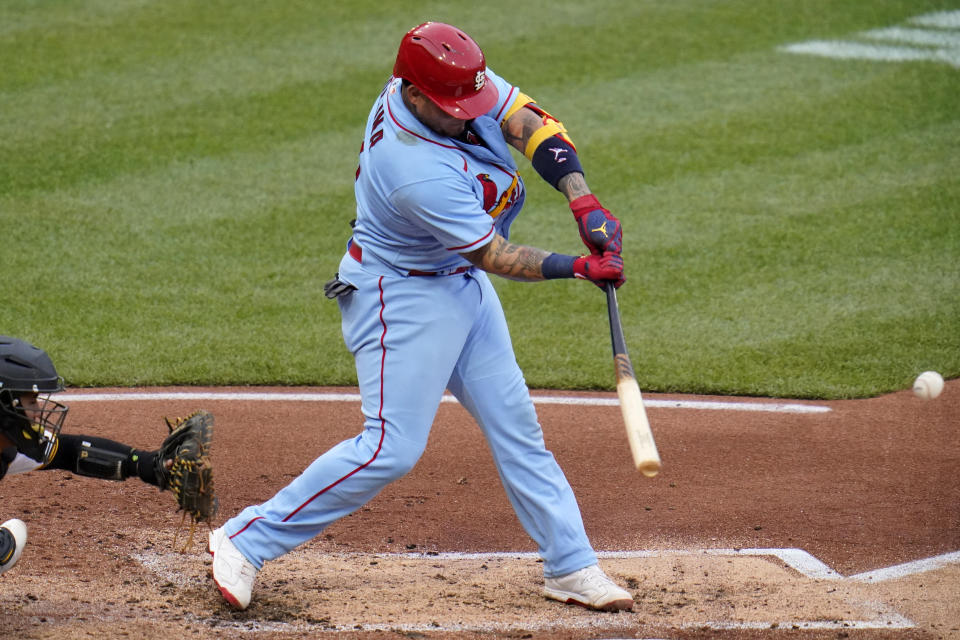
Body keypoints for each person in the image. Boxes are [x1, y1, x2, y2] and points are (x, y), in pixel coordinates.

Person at [208, 21, 632, 612]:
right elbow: (494, 254)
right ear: (412, 95)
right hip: (402, 298)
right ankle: (247, 539)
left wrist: (581, 198)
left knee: (517, 427)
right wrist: (577, 267)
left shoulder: (446, 80)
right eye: (454, 109)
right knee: (390, 448)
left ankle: (570, 565)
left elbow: (529, 124)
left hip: (459, 286)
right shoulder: (411, 166)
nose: (468, 116)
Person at [0, 335, 213, 575]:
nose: (38, 412)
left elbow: (69, 452)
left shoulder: (7, 446)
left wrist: (146, 464)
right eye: (30, 402)